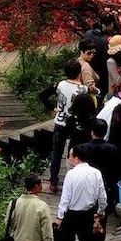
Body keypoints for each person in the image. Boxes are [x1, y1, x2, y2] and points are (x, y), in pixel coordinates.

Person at [51, 146, 107, 241]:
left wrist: (59, 217)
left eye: (70, 156)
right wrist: (100, 212)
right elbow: (102, 196)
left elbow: (65, 199)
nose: (69, 159)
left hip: (71, 214)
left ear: (76, 158)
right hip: (88, 214)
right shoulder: (96, 173)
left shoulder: (71, 174)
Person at [50, 60, 87, 193]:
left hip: (60, 121)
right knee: (73, 152)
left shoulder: (61, 84)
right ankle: (72, 180)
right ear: (79, 73)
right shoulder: (83, 89)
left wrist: (53, 108)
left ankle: (53, 181)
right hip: (75, 124)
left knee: (56, 152)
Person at [83, 13, 119, 96]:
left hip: (86, 71)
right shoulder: (106, 41)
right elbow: (106, 62)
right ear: (111, 24)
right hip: (102, 76)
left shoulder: (88, 33)